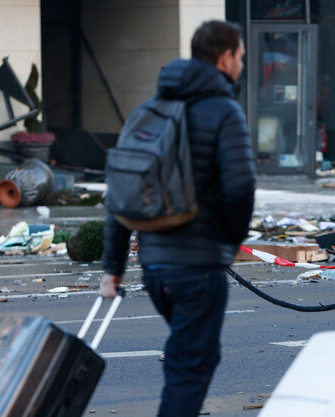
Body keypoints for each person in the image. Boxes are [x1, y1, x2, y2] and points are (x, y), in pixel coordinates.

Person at [99, 20, 256, 417]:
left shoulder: (148, 110)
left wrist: (113, 267)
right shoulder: (225, 112)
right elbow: (240, 189)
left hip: (155, 267)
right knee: (191, 366)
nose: (242, 64)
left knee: (193, 355)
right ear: (225, 58)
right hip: (199, 267)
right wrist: (230, 244)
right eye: (240, 57)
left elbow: (124, 190)